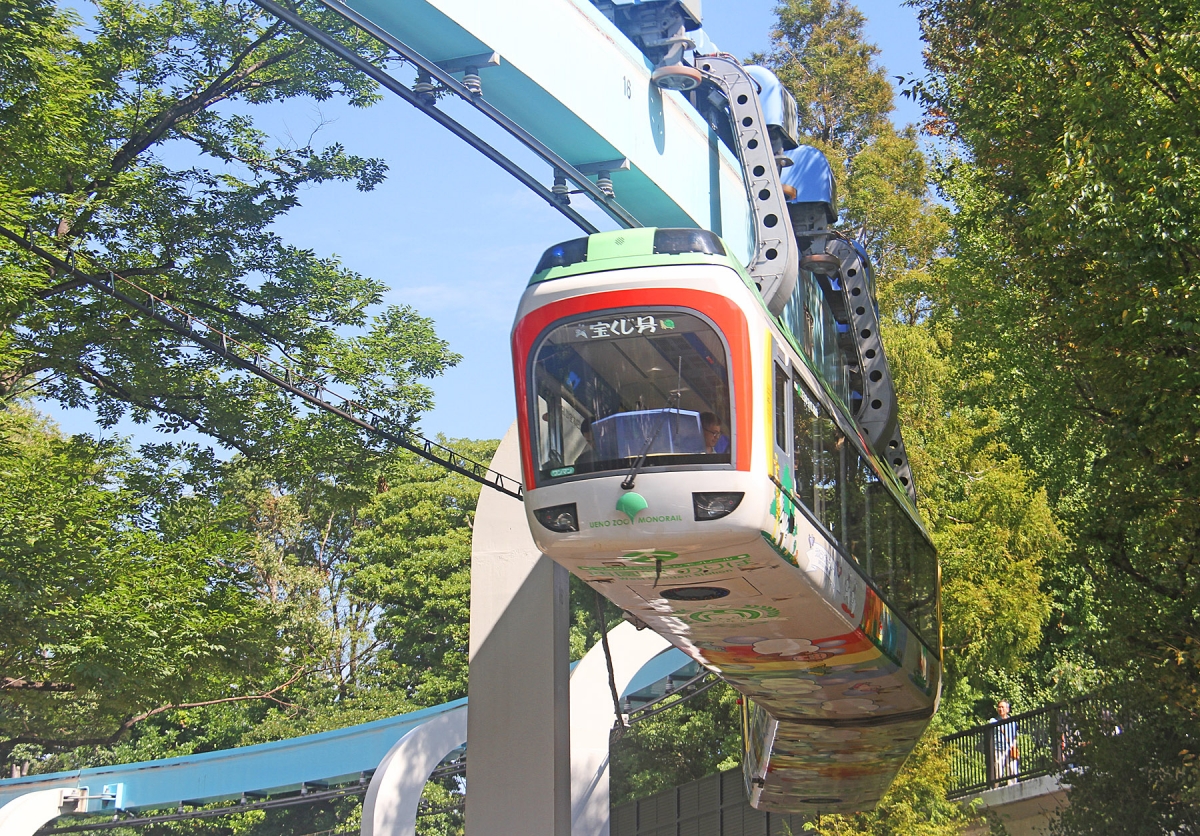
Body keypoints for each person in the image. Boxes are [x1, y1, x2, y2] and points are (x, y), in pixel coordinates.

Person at [991, 699, 1020, 784]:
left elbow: (1014, 736)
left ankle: (1013, 786)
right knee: (998, 770)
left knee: (1012, 769)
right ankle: (995, 787)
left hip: (1009, 748)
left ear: (1007, 709)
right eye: (999, 707)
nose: (1000, 709)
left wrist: (1014, 747)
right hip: (999, 748)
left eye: (1002, 707)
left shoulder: (1012, 722)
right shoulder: (994, 721)